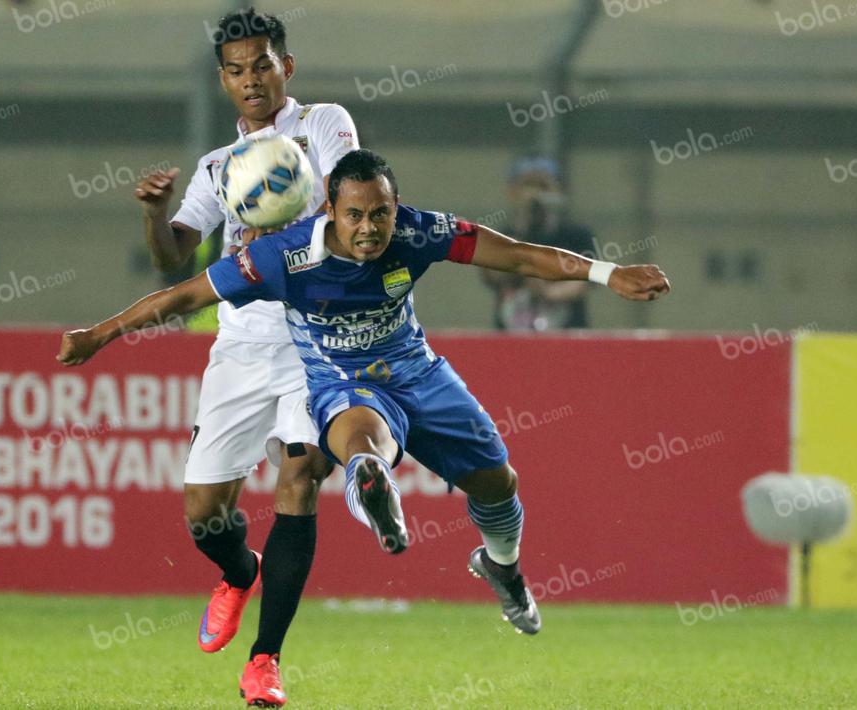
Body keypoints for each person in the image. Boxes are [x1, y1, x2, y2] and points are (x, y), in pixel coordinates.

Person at [59, 149, 670, 651]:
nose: (370, 228)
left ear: (395, 207)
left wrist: (606, 273)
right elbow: (183, 296)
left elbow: (515, 254)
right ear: (330, 209)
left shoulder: (417, 231)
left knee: (498, 483)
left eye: (380, 213)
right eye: (355, 214)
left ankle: (501, 566)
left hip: (419, 374)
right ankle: (374, 488)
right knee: (363, 442)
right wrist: (98, 335)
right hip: (342, 381)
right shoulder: (281, 256)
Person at [131, 8, 358, 706]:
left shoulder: (323, 124)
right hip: (241, 346)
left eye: (262, 64)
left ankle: (265, 660)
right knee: (204, 514)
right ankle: (238, 571)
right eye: (236, 70)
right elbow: (173, 257)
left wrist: (290, 223)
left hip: (316, 338)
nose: (251, 79)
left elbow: (349, 202)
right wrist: (155, 213)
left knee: (300, 474)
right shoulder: (215, 167)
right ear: (223, 80)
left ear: (286, 66)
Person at [482, 156, 597, 330]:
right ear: (512, 191)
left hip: (565, 331)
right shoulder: (501, 236)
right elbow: (493, 276)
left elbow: (585, 281)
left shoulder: (576, 235)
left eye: (543, 186)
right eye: (528, 185)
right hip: (512, 332)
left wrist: (548, 292)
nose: (535, 194)